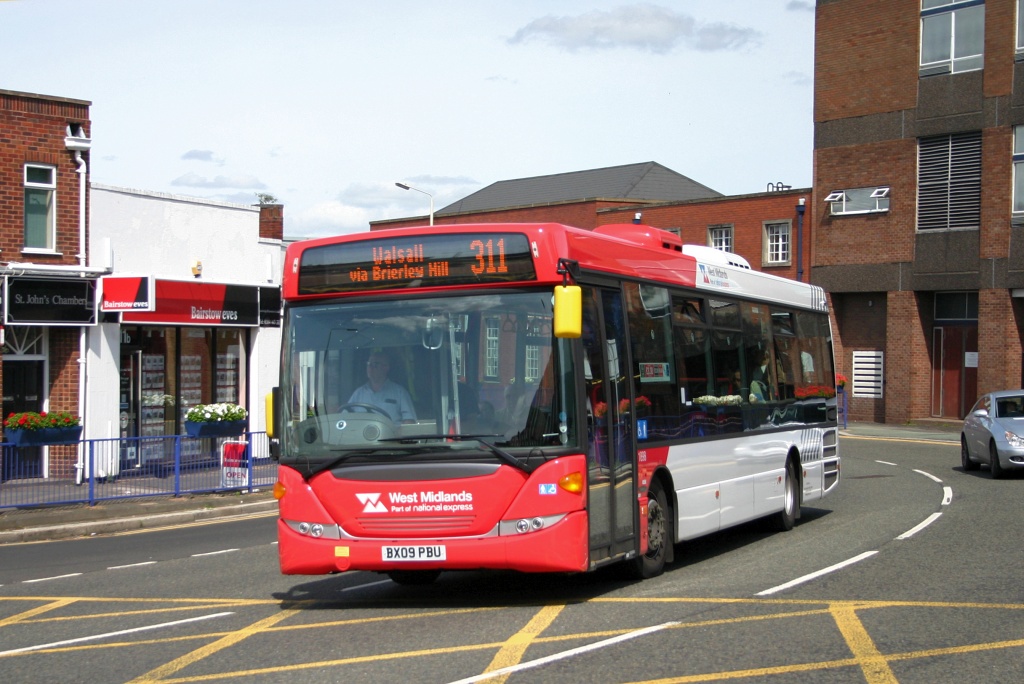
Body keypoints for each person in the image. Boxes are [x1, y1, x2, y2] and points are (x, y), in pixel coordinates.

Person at [347, 352, 416, 422]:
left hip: (391, 432)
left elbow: (409, 421)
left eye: (375, 364)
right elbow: (344, 417)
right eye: (368, 364)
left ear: (386, 367)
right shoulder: (358, 393)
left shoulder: (400, 392)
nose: (370, 367)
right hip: (361, 432)